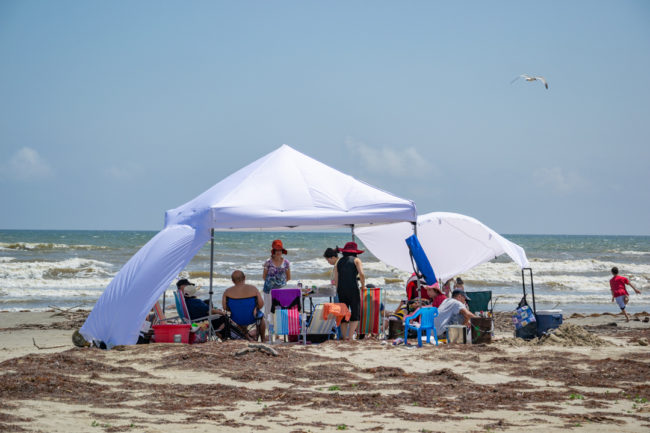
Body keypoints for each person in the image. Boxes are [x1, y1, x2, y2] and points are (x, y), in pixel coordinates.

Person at [333, 241, 365, 340]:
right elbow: (362, 274)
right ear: (355, 252)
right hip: (353, 289)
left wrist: (338, 289)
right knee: (355, 313)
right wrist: (363, 285)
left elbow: (336, 278)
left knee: (343, 314)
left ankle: (343, 336)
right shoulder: (356, 260)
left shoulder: (339, 261)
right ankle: (350, 337)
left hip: (341, 290)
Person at [223, 270, 266, 341]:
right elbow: (261, 304)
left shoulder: (227, 292)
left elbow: (225, 308)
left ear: (232, 281)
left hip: (236, 319)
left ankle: (246, 337)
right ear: (244, 277)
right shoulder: (253, 289)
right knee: (260, 317)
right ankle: (263, 339)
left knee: (238, 314)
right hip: (252, 317)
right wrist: (255, 308)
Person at [262, 239, 291, 319]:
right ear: (273, 251)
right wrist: (271, 284)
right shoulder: (268, 262)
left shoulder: (286, 262)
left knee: (280, 310)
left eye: (280, 250)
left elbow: (289, 277)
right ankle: (269, 328)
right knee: (268, 310)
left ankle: (279, 328)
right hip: (269, 290)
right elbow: (264, 276)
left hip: (281, 290)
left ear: (282, 251)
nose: (278, 252)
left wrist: (280, 284)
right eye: (276, 250)